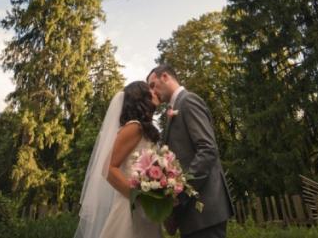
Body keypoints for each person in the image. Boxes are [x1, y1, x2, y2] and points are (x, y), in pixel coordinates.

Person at [148, 64, 235, 238]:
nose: (152, 92)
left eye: (152, 85)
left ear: (164, 76)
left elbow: (207, 150)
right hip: (193, 215)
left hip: (204, 210)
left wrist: (179, 194)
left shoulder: (188, 101)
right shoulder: (175, 108)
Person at [74, 81, 163, 238]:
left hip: (146, 210)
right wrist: (139, 198)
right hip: (130, 210)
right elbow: (108, 169)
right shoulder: (134, 127)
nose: (155, 92)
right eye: (149, 90)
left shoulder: (146, 129)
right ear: (140, 98)